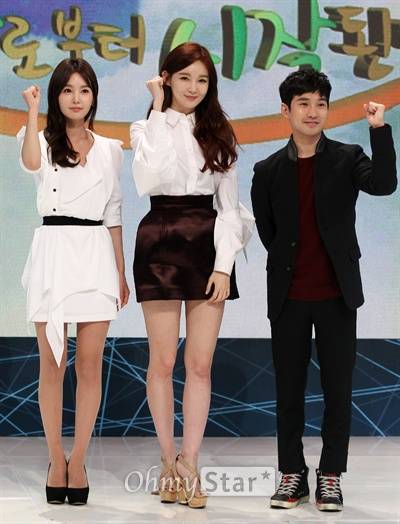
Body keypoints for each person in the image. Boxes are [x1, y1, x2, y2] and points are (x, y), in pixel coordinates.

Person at [251, 69, 397, 512]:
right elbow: (269, 232)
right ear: (286, 110)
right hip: (289, 295)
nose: (313, 112)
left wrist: (379, 129)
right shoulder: (268, 170)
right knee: (288, 391)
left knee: (338, 389)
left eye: (320, 104)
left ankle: (330, 475)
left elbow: (384, 184)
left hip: (337, 294)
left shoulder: (348, 157)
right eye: (304, 104)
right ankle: (292, 473)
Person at [130, 42, 254, 508]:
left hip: (207, 242)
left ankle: (190, 463)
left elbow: (230, 208)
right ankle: (167, 462)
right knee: (162, 362)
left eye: (202, 80)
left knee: (199, 364)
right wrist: (159, 110)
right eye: (184, 78)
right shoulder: (146, 126)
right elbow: (148, 178)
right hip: (159, 238)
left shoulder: (219, 132)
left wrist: (224, 265)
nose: (194, 87)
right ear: (166, 79)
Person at [18, 58, 130, 505]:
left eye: (84, 90)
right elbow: (30, 164)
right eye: (67, 90)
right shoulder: (40, 140)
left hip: (95, 255)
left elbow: (114, 212)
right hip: (53, 254)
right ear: (56, 96)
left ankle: (79, 460)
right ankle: (55, 459)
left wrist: (120, 272)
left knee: (89, 364)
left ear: (94, 96)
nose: (76, 98)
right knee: (52, 364)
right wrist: (31, 113)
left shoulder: (110, 149)